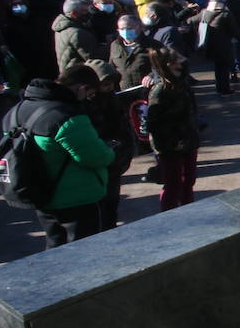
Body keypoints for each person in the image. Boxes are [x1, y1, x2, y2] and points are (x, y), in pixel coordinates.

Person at [16, 65, 115, 248]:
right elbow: (95, 157)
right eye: (89, 93)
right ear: (82, 89)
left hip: (39, 192)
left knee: (54, 244)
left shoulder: (21, 109)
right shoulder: (67, 116)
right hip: (74, 196)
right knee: (82, 249)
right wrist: (110, 151)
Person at [83, 59, 135, 227]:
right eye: (105, 83)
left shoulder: (113, 101)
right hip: (99, 166)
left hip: (115, 164)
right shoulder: (84, 108)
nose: (109, 87)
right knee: (98, 212)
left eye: (111, 83)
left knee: (111, 207)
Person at [146, 49, 199, 211]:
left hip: (188, 140)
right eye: (179, 58)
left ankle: (188, 209)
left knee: (188, 180)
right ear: (170, 64)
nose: (183, 60)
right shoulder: (160, 90)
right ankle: (169, 214)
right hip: (170, 146)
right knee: (173, 183)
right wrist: (171, 143)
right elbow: (153, 124)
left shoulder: (181, 82)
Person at [187, 0, 240, 94]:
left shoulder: (204, 13)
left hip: (210, 46)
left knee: (218, 67)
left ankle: (219, 87)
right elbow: (235, 30)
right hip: (224, 46)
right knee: (224, 67)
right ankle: (224, 88)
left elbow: (190, 21)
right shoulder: (226, 14)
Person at [53, 0, 106, 74]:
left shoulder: (61, 28)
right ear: (74, 13)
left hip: (68, 71)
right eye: (84, 11)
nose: (88, 13)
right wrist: (109, 45)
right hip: (79, 74)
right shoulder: (77, 33)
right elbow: (94, 56)